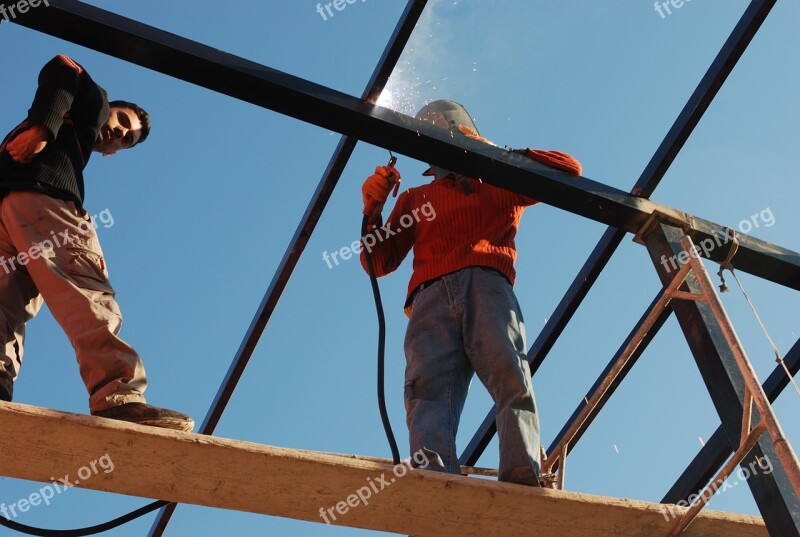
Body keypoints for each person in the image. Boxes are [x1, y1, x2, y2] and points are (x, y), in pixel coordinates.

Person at [360, 99, 582, 485]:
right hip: (429, 300)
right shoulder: (417, 198)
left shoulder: (499, 179)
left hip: (486, 285)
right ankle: (434, 484)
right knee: (427, 392)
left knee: (510, 378)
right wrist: (372, 209)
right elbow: (378, 262)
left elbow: (568, 170)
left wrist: (485, 150)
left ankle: (521, 478)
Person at [0, 54, 194, 432]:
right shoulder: (93, 102)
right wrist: (43, 127)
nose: (122, 132)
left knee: (5, 303)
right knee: (83, 291)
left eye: (128, 138)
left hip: (12, 211)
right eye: (122, 121)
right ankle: (117, 395)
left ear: (111, 154)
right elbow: (65, 67)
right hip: (44, 202)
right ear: (106, 109)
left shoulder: (72, 143)